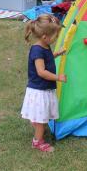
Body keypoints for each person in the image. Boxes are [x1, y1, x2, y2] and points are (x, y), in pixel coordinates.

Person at [21, 14, 67, 152]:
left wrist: (57, 54)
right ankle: (37, 142)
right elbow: (41, 71)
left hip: (43, 89)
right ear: (45, 37)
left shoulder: (45, 47)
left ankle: (37, 124)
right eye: (55, 36)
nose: (56, 38)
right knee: (42, 121)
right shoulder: (37, 50)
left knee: (41, 117)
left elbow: (46, 59)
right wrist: (58, 77)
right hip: (39, 90)